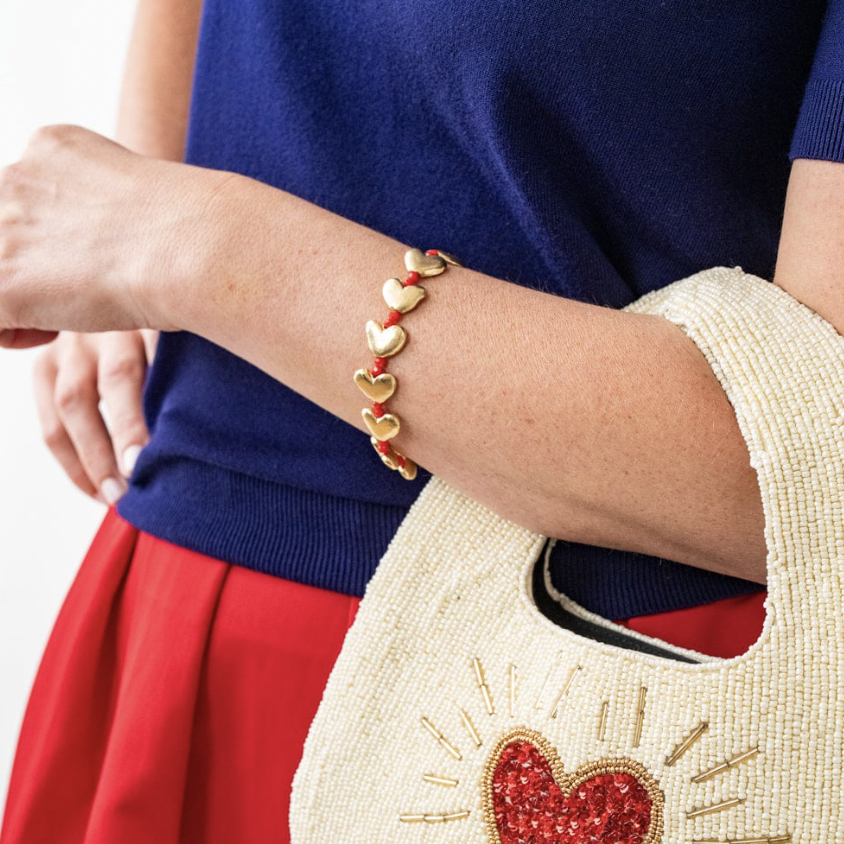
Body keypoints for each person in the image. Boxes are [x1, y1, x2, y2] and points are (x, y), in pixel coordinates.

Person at [1, 0, 843, 841]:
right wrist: (130, 216)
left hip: (607, 705)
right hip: (188, 606)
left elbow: (816, 468)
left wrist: (186, 248)